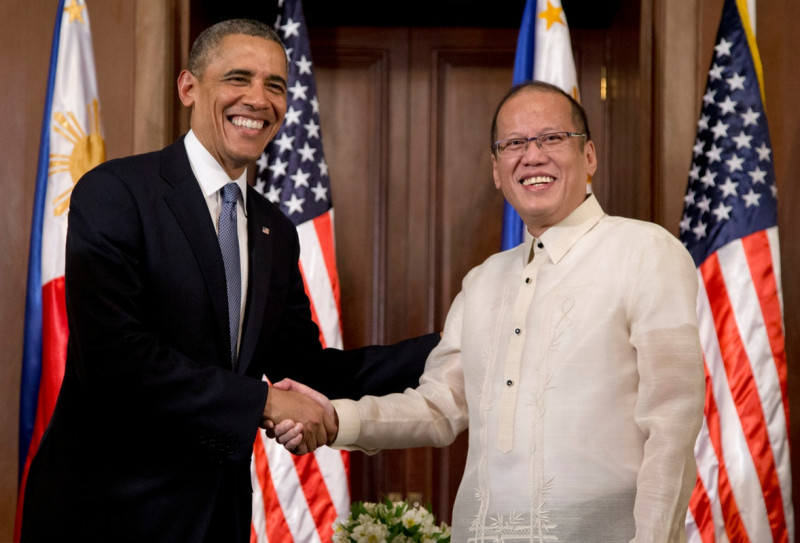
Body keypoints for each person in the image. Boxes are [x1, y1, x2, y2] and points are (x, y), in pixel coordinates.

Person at [20, 19, 438, 543]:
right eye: (238, 78)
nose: (259, 99)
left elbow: (308, 370)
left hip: (218, 517)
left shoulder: (275, 231)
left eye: (275, 86)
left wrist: (452, 345)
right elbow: (115, 361)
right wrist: (263, 403)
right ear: (188, 87)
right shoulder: (115, 192)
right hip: (108, 515)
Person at [276, 80, 706, 542]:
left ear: (590, 158)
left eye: (552, 138)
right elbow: (439, 406)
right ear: (498, 171)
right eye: (514, 143)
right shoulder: (483, 281)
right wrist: (339, 419)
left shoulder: (645, 250)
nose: (533, 155)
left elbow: (672, 425)